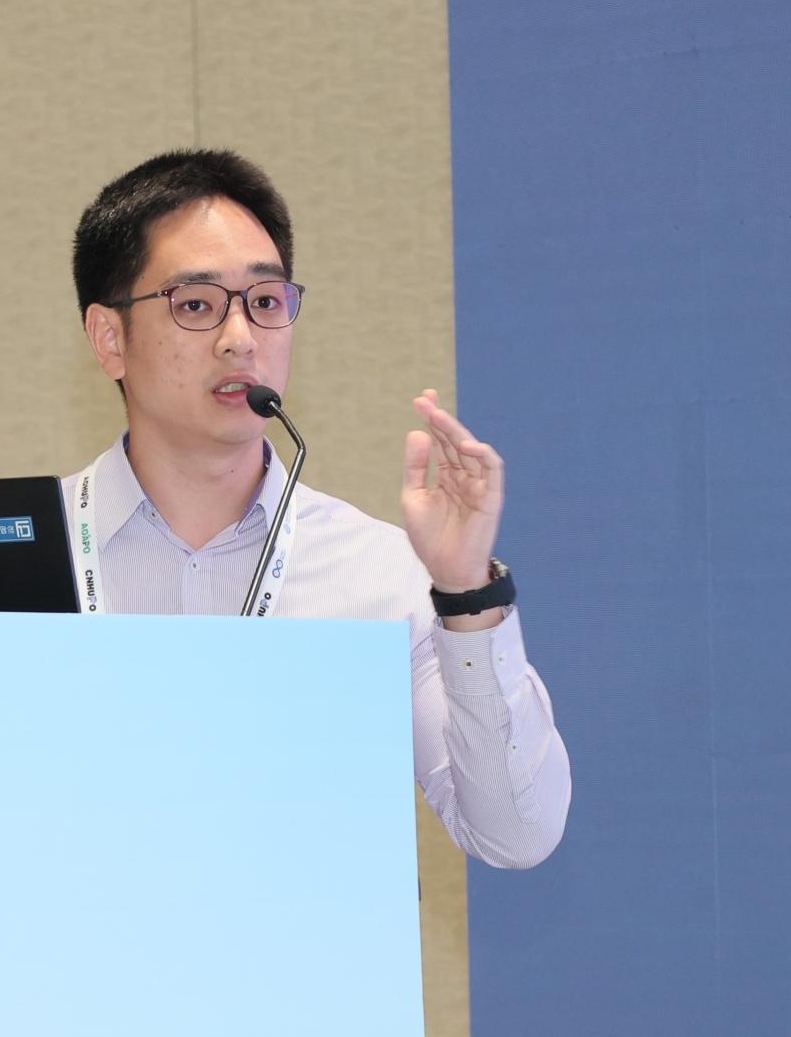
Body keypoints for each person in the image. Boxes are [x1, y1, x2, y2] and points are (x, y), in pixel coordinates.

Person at [64, 149, 570, 868]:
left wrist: (465, 591)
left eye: (265, 302)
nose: (241, 338)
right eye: (196, 304)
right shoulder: (28, 558)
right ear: (110, 338)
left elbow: (517, 836)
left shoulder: (380, 575)